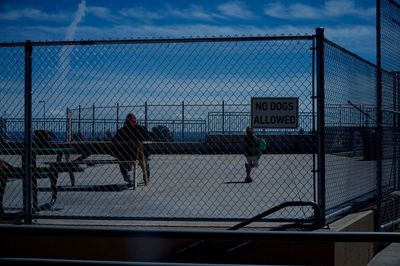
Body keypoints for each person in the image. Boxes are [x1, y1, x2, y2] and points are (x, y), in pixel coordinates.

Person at [112, 113, 150, 186]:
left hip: (127, 154)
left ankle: (127, 177)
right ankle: (146, 176)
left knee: (122, 160)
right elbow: (148, 137)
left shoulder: (122, 131)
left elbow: (114, 141)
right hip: (139, 154)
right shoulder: (141, 129)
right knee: (145, 160)